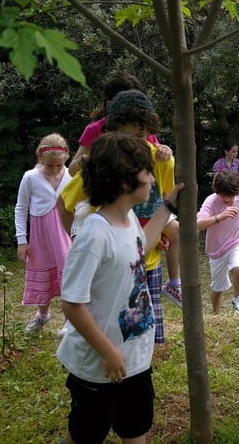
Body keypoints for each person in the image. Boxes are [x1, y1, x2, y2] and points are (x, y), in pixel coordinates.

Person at [56, 132, 184, 444]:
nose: (152, 179)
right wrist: (108, 351)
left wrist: (167, 205)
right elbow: (71, 304)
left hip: (136, 358)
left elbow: (143, 244)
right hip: (98, 366)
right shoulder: (93, 236)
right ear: (125, 183)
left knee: (135, 429)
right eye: (146, 172)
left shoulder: (127, 219)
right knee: (85, 435)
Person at [57, 90, 176, 344]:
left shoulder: (162, 161)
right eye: (127, 136)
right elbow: (64, 202)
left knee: (144, 332)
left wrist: (165, 227)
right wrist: (77, 240)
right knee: (109, 327)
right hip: (109, 267)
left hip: (148, 262)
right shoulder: (103, 169)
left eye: (141, 136)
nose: (136, 144)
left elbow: (162, 201)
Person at [14, 133, 72, 333]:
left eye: (59, 165)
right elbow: (21, 208)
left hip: (65, 234)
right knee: (43, 270)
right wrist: (22, 240)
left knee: (68, 274)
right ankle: (43, 315)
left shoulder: (70, 176)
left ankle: (70, 319)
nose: (55, 170)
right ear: (40, 156)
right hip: (40, 236)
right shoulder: (30, 177)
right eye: (50, 166)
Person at [196, 170, 239, 314]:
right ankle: (216, 316)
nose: (228, 199)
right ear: (217, 192)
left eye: (231, 195)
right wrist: (219, 217)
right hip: (216, 249)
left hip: (238, 240)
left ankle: (238, 300)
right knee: (218, 289)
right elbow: (197, 224)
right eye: (223, 195)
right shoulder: (211, 201)